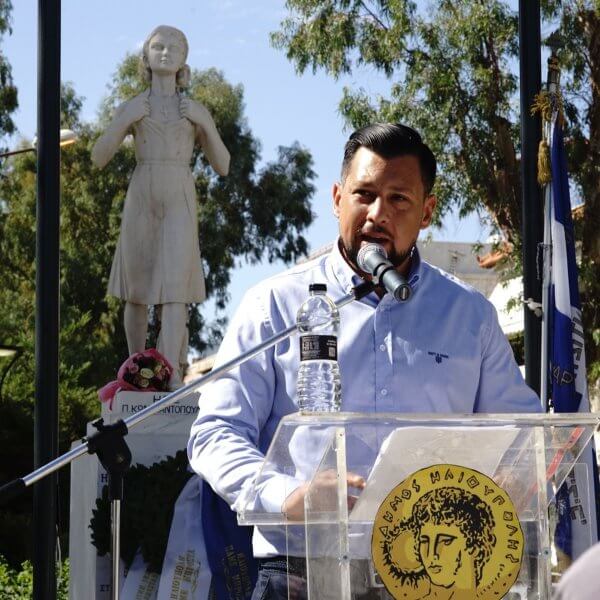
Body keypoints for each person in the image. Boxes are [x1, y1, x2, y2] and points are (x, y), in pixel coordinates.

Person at [187, 123, 540, 599]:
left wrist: (513, 479)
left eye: (399, 200)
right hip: (299, 569)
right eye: (364, 194)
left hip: (432, 572)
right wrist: (289, 496)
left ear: (427, 211)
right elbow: (215, 433)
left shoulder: (469, 314)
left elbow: (525, 435)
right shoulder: (276, 304)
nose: (378, 214)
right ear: (337, 198)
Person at [92, 25, 230, 388]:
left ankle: (170, 378)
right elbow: (98, 156)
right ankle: (134, 374)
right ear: (147, 56)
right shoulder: (134, 106)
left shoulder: (193, 110)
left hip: (179, 191)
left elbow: (223, 165)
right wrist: (123, 120)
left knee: (174, 292)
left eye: (174, 46)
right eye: (158, 46)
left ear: (185, 57)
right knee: (135, 291)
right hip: (142, 191)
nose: (166, 52)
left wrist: (206, 125)